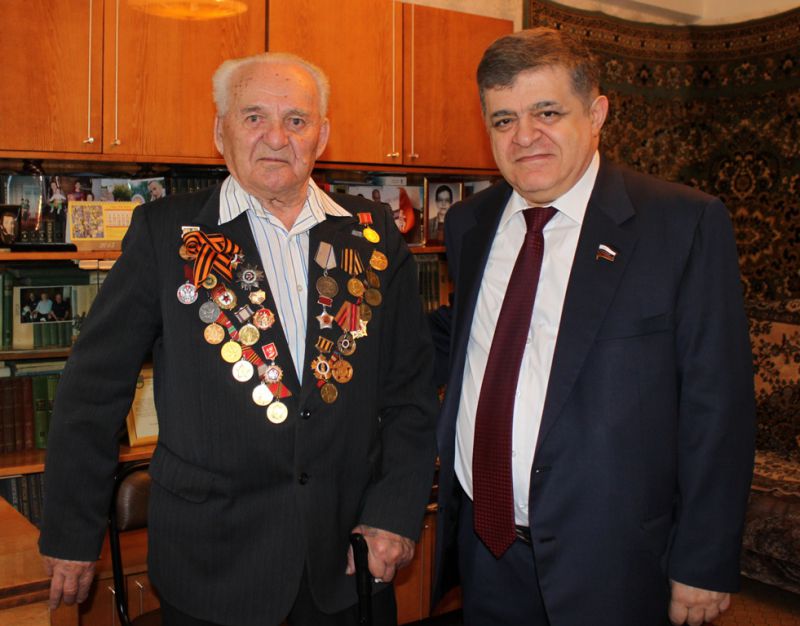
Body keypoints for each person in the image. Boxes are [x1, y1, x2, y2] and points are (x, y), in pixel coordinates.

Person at [39, 52, 438, 626]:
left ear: (322, 136)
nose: (276, 137)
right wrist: (72, 533)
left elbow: (410, 393)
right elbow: (92, 390)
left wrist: (395, 513)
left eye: (296, 120)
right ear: (219, 132)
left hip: (347, 563)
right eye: (254, 117)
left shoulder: (373, 235)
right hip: (210, 566)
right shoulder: (165, 234)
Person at [429, 28, 755, 626]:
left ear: (597, 113)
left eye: (547, 112)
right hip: (486, 549)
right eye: (503, 120)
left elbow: (719, 407)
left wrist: (704, 560)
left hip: (615, 560)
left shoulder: (682, 223)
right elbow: (472, 336)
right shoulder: (470, 224)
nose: (524, 136)